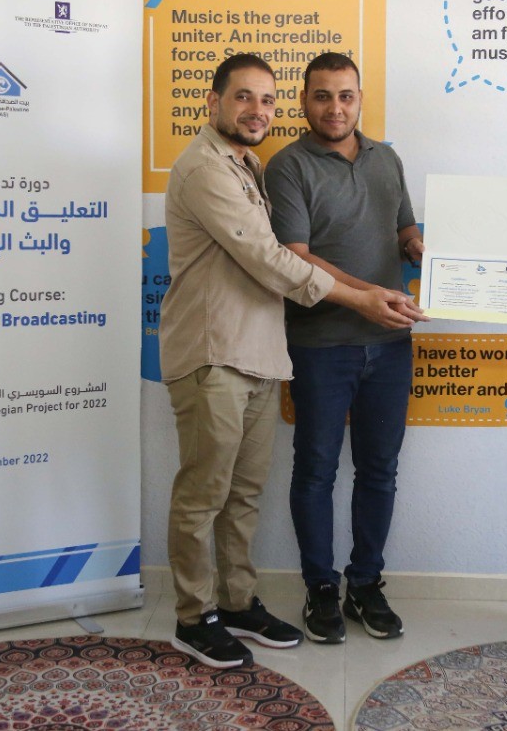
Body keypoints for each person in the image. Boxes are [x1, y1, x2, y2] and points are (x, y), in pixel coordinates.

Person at [160, 53, 417, 668]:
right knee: (203, 494)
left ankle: (237, 602)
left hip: (256, 352)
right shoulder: (207, 169)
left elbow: (398, 231)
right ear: (213, 101)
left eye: (265, 100)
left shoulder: (245, 164)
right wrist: (363, 297)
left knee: (244, 493)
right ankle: (194, 617)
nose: (257, 111)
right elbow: (274, 259)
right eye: (243, 97)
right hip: (213, 349)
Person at [264, 52, 427, 644]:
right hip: (321, 345)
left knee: (380, 469)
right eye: (323, 96)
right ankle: (320, 588)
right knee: (316, 470)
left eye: (346, 96)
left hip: (390, 343)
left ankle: (365, 584)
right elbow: (298, 259)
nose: (335, 108)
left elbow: (404, 230)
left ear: (360, 99)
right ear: (305, 101)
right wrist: (369, 295)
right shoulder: (286, 166)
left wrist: (423, 250)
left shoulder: (388, 159)